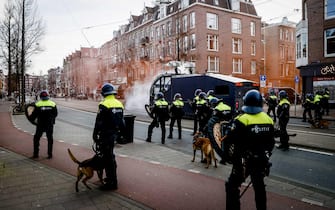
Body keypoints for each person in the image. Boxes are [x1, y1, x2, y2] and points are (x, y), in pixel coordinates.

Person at [225, 89, 275, 210]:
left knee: (232, 185)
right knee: (259, 188)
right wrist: (265, 155)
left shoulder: (241, 119)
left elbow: (230, 138)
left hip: (243, 162)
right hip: (261, 160)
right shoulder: (268, 119)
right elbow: (271, 143)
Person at [93, 83, 125, 190]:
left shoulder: (103, 104)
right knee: (110, 157)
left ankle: (112, 183)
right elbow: (122, 123)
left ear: (103, 93)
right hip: (113, 135)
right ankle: (112, 178)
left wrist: (95, 135)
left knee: (107, 158)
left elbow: (99, 122)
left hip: (105, 135)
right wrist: (120, 135)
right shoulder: (119, 104)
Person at [30, 90, 58, 159]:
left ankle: (36, 154)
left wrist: (31, 119)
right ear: (48, 96)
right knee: (50, 139)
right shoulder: (52, 104)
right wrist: (51, 119)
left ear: (40, 97)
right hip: (49, 124)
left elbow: (33, 115)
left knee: (36, 138)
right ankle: (50, 154)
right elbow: (55, 114)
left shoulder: (38, 104)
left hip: (40, 124)